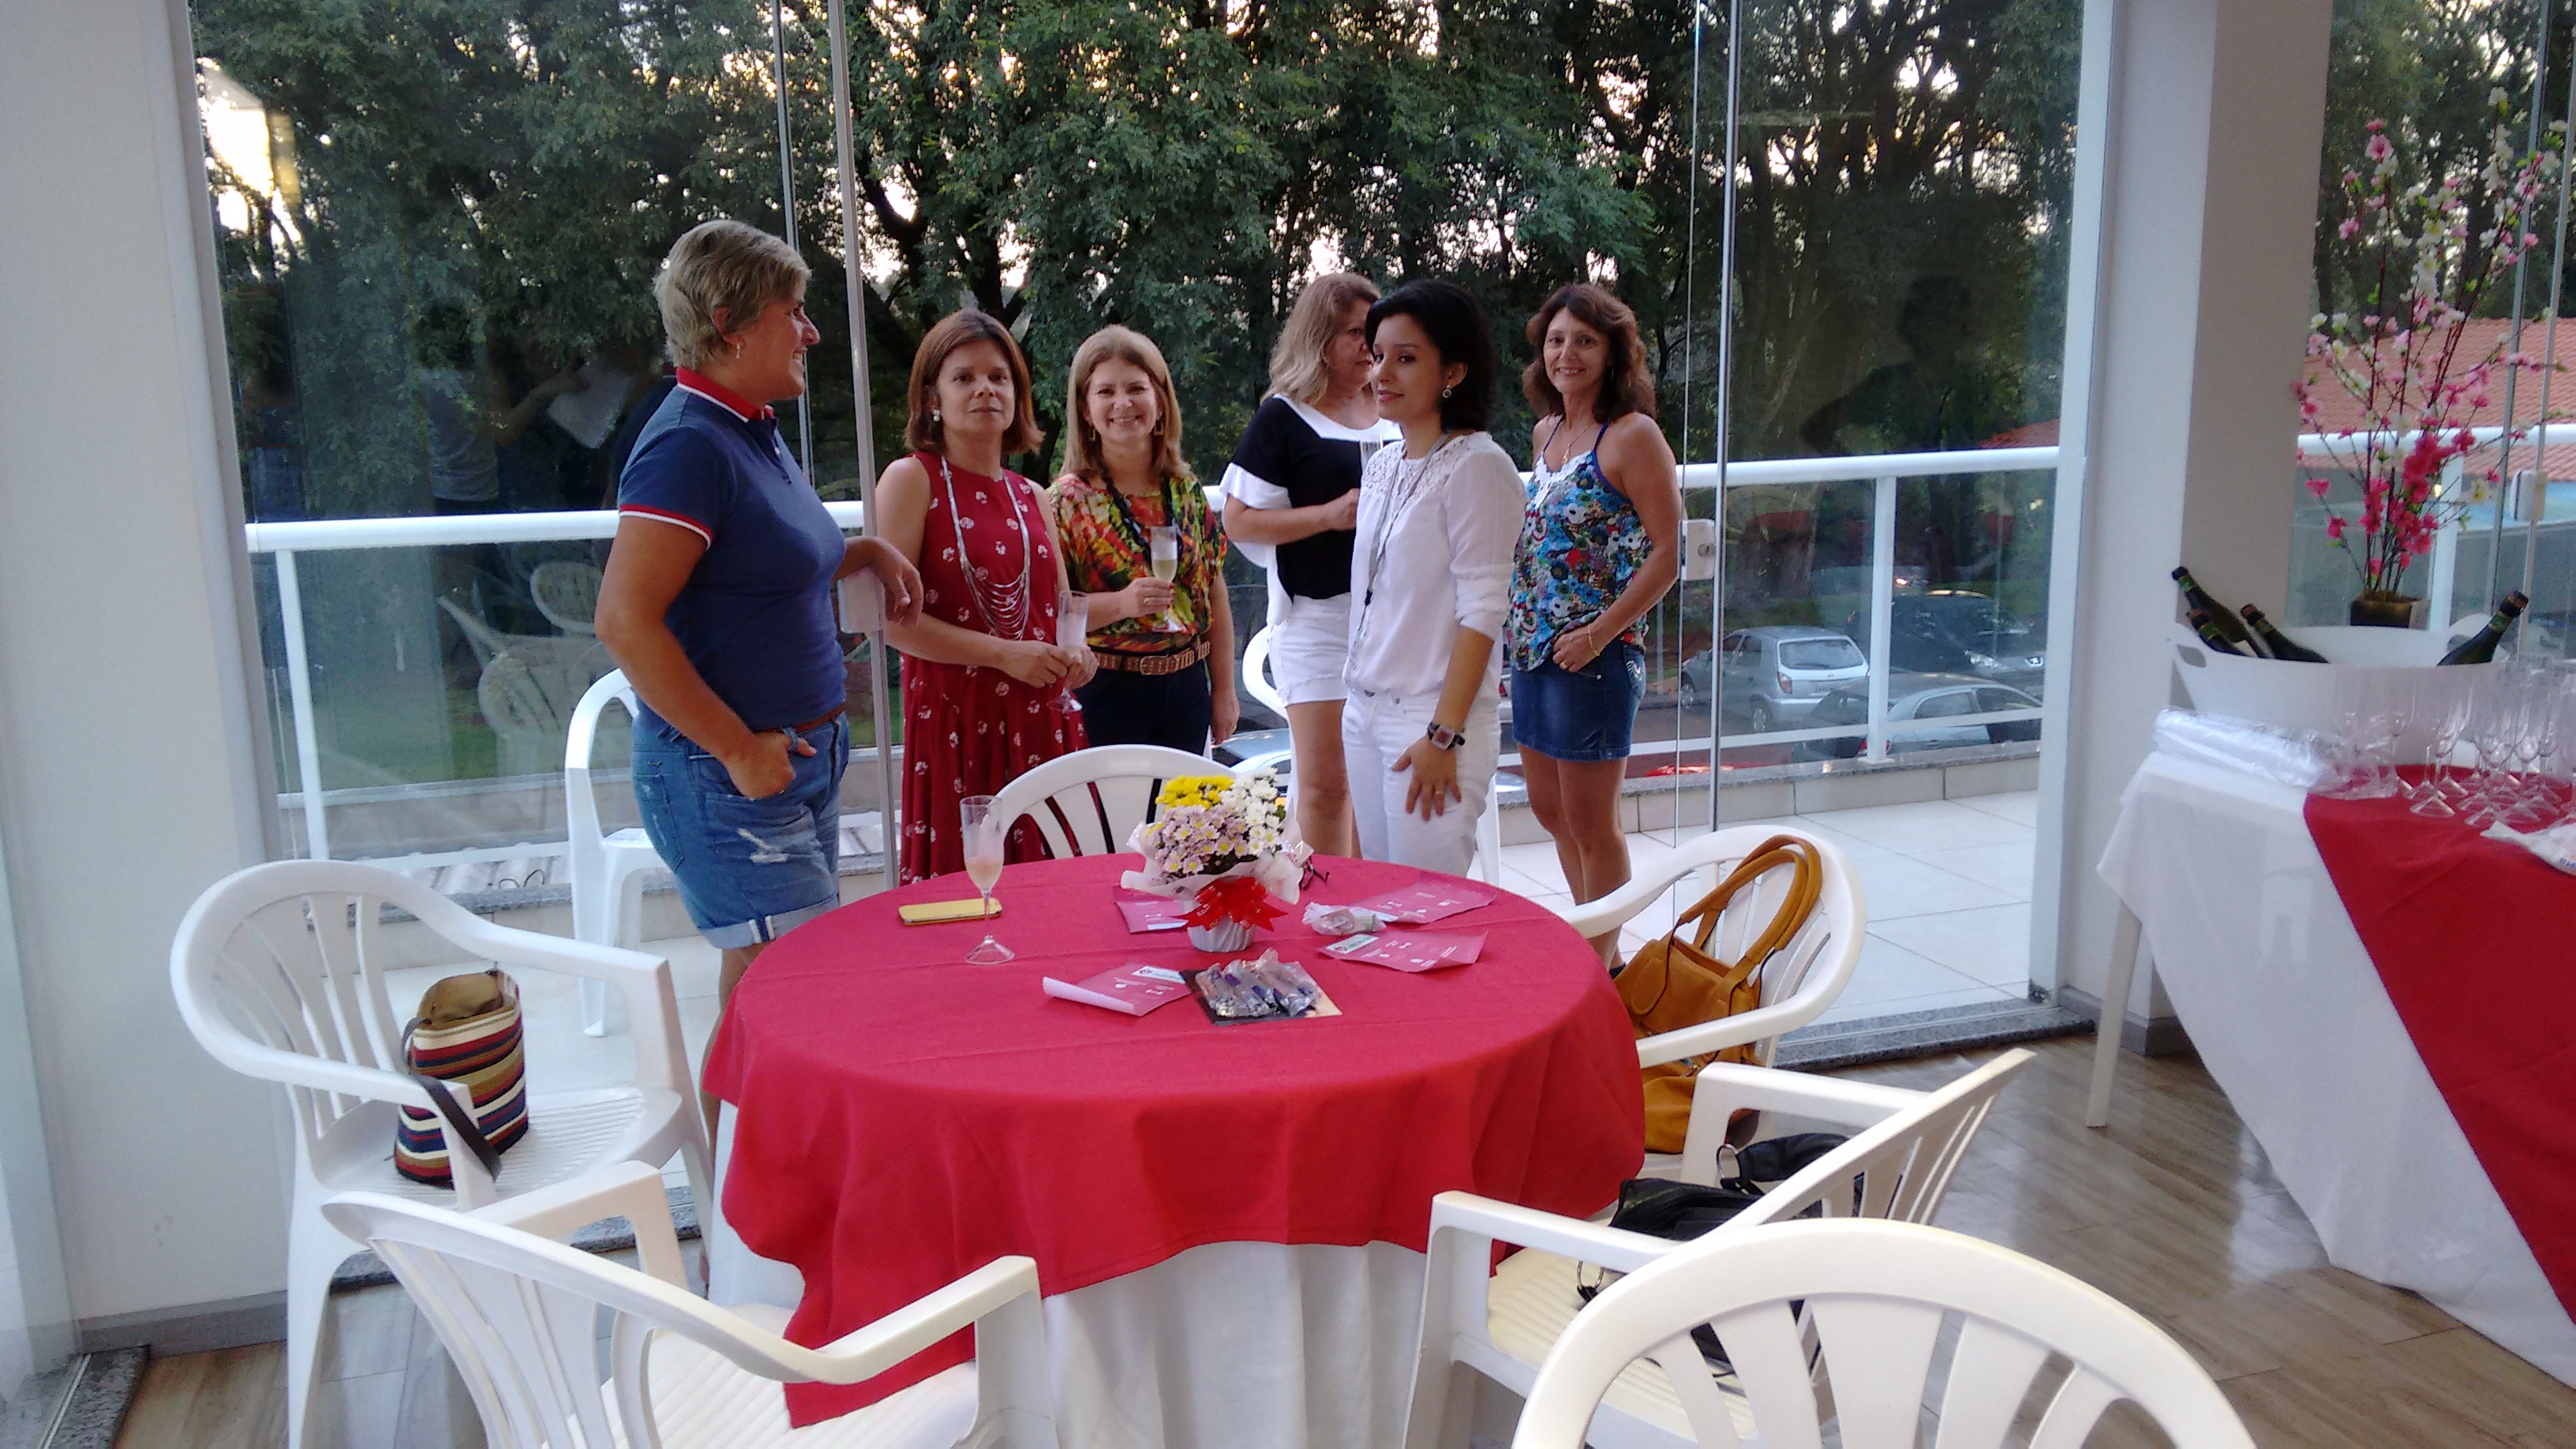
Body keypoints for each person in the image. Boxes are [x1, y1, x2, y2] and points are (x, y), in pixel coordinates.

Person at [595, 219, 923, 1131]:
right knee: (805, 992)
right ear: (730, 324)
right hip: (729, 778)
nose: (809, 332)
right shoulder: (687, 446)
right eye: (794, 312)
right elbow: (624, 620)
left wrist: (857, 551)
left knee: (761, 990)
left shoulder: (750, 427)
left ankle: (733, 1190)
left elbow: (756, 559)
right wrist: (739, 748)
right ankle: (756, 1188)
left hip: (796, 763)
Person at [878, 311, 1094, 881]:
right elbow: (891, 622)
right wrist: (1004, 654)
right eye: (964, 378)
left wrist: (1079, 653)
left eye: (999, 377)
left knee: (1052, 891)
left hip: (1042, 718)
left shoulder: (1033, 495)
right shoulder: (911, 479)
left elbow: (1061, 611)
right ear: (933, 397)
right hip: (957, 722)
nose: (985, 390)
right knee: (966, 893)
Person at [1510, 284, 1683, 955]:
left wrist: (1599, 633)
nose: (1567, 354)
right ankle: (1594, 944)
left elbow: (1668, 555)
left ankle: (1602, 964)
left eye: (1584, 340)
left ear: (1613, 352)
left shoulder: (1632, 435)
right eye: (1556, 340)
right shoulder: (1546, 433)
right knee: (1551, 811)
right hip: (1533, 650)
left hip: (1596, 655)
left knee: (1592, 820)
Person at [1342, 279, 1522, 873]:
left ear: (1454, 372)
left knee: (1425, 908)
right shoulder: (1383, 464)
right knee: (1379, 895)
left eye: (1406, 358)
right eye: (1378, 356)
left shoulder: (1479, 467)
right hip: (1364, 710)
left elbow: (1484, 613)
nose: (1382, 373)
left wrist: (1444, 735)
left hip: (1430, 720)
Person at [1222, 273, 1398, 856]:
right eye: (1353, 333)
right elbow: (1239, 520)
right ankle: (1329, 901)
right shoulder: (1284, 416)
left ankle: (1371, 897)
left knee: (1379, 781)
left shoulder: (1397, 410)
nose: (1367, 347)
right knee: (1327, 784)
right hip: (1316, 622)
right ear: (1319, 339)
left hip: (1395, 622)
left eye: (1373, 332)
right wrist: (1328, 516)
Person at [1050, 326, 1237, 751]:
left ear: (1160, 402)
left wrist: (1224, 690)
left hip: (1187, 689)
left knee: (1184, 800)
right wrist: (1122, 604)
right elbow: (1053, 615)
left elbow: (1214, 594)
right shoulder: (1065, 502)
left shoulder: (1186, 492)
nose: (1123, 403)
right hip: (1106, 692)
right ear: (1085, 410)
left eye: (1136, 388)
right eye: (1106, 392)